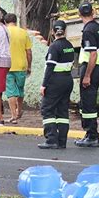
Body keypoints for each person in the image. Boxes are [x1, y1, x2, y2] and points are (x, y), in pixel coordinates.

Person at [74, 2, 99, 148]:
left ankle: (92, 135)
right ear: (92, 12)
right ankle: (89, 133)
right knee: (88, 102)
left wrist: (87, 75)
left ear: (79, 14)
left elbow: (92, 54)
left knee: (88, 104)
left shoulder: (88, 30)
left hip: (91, 68)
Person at [39, 20, 74, 149]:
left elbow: (50, 66)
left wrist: (44, 85)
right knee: (63, 111)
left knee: (47, 109)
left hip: (55, 82)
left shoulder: (54, 46)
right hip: (67, 80)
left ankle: (51, 139)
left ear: (53, 32)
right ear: (65, 31)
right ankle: (62, 140)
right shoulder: (69, 45)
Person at [4, 13, 32, 124]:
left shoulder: (5, 32)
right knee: (20, 90)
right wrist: (29, 66)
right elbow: (29, 52)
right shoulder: (23, 33)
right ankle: (19, 111)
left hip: (7, 66)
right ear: (16, 21)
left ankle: (13, 115)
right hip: (21, 66)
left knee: (11, 92)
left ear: (5, 22)